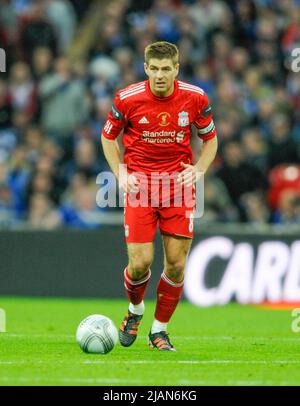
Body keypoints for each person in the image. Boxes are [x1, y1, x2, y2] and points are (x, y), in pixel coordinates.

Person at [101, 41, 218, 351]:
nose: (160, 75)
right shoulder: (127, 99)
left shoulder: (195, 97)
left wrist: (200, 169)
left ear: (176, 69)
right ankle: (135, 311)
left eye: (166, 69)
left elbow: (211, 140)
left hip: (179, 188)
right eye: (154, 69)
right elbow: (107, 136)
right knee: (140, 263)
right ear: (146, 69)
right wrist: (120, 172)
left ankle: (159, 332)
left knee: (177, 265)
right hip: (140, 188)